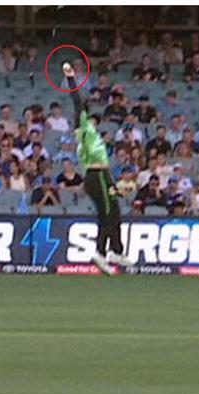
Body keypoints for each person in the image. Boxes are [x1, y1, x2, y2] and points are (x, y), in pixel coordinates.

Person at [64, 64, 132, 275]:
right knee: (109, 213)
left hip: (104, 177)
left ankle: (107, 253)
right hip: (97, 175)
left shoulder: (92, 133)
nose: (93, 120)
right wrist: (71, 78)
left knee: (112, 212)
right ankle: (107, 252)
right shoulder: (83, 128)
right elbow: (77, 101)